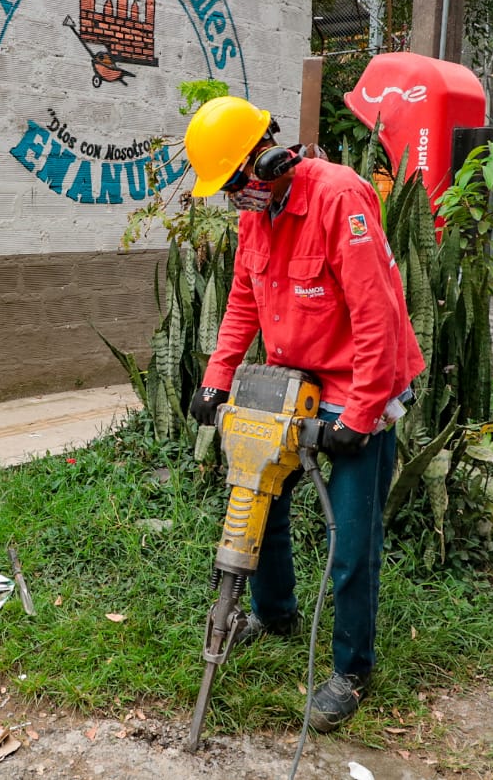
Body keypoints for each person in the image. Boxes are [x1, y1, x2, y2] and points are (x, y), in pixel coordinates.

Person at [182, 96, 425, 733]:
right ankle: (276, 612)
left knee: (351, 538)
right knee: (262, 501)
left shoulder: (339, 198)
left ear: (270, 158)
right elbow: (242, 301)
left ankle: (352, 669)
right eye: (227, 190)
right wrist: (216, 379)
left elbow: (377, 315)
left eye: (238, 182)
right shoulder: (255, 218)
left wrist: (362, 415)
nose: (236, 199)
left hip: (359, 382)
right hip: (290, 381)